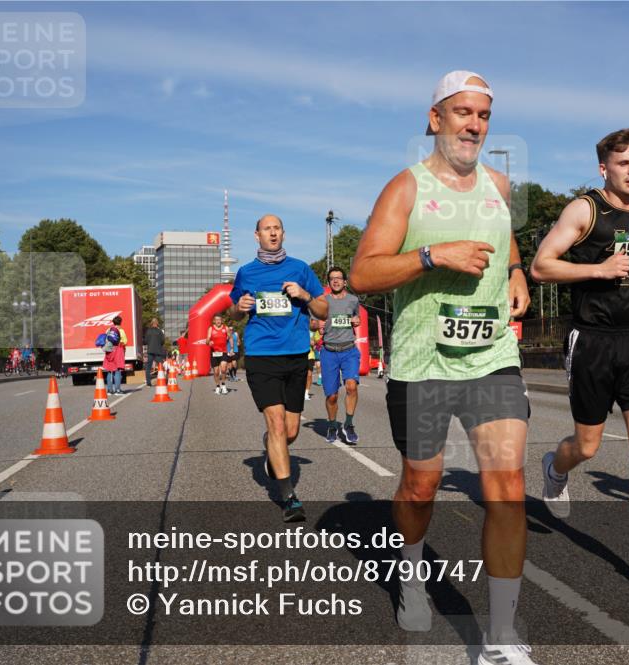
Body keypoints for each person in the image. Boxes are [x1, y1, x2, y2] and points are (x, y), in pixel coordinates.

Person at [349, 71, 535, 664]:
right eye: (462, 113)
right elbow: (362, 274)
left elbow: (506, 243)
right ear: (435, 119)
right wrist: (431, 256)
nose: (474, 125)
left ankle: (502, 639)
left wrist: (516, 273)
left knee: (507, 485)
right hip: (422, 358)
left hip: (491, 355)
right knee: (421, 485)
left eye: (483, 115)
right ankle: (411, 569)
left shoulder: (500, 187)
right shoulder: (405, 189)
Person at [531, 128, 629, 585]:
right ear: (604, 168)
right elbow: (541, 266)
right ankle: (555, 468)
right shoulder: (585, 209)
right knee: (589, 445)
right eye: (623, 164)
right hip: (593, 339)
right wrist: (597, 268)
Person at [229, 213, 327, 522]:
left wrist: (305, 295)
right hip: (261, 354)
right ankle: (289, 498)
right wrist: (239, 308)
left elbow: (323, 308)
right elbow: (233, 312)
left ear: (283, 234)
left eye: (277, 228)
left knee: (291, 431)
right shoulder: (246, 273)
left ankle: (273, 450)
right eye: (266, 229)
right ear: (256, 236)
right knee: (276, 424)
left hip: (296, 353)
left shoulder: (300, 269)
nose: (272, 233)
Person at [319, 266, 362, 444]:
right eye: (332, 278)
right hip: (329, 352)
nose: (335, 281)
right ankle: (331, 425)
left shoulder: (353, 300)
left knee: (352, 386)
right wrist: (317, 325)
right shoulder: (323, 301)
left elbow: (357, 318)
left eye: (339, 278)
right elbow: (312, 323)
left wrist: (356, 321)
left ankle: (349, 424)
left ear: (345, 282)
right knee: (332, 396)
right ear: (328, 282)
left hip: (349, 350)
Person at [102, 316, 127, 395]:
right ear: (120, 322)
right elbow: (125, 341)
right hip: (118, 351)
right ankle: (117, 390)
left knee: (109, 370)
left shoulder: (108, 330)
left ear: (113, 322)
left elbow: (105, 340)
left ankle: (109, 390)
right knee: (117, 370)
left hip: (109, 351)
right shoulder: (121, 331)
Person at [207, 314, 230, 395]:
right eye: (216, 320)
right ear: (214, 321)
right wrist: (209, 342)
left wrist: (232, 349)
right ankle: (217, 386)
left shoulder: (225, 328)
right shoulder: (211, 328)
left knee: (223, 369)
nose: (218, 321)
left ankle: (223, 385)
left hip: (223, 351)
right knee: (216, 372)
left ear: (221, 320)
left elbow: (230, 338)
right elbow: (207, 340)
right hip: (214, 352)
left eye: (219, 319)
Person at [144, 318, 166, 388]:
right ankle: (162, 381)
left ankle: (148, 384)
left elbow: (145, 341)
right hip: (158, 352)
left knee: (148, 367)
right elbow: (163, 341)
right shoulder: (159, 331)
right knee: (160, 366)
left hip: (150, 351)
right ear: (157, 323)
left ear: (151, 323)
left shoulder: (148, 331)